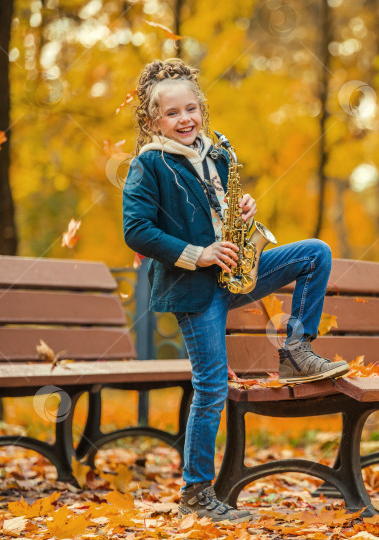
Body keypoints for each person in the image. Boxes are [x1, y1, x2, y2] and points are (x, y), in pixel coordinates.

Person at [122, 58, 349, 523]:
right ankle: (196, 491)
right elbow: (136, 230)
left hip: (234, 273)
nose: (185, 119)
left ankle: (295, 349)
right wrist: (198, 253)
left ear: (202, 109)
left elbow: (218, 213)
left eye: (192, 109)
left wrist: (241, 212)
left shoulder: (217, 154)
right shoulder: (148, 164)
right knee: (211, 387)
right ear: (152, 121)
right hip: (193, 286)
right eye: (172, 113)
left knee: (315, 252)